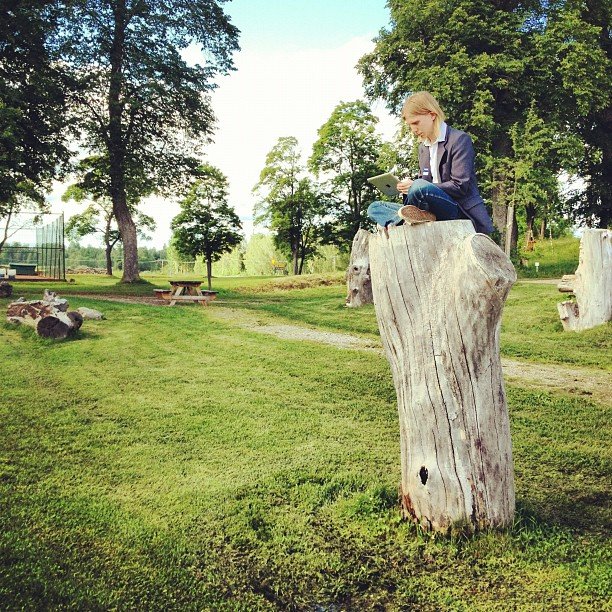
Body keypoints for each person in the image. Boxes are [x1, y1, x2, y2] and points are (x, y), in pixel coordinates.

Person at [367, 91, 494, 234]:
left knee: (418, 186)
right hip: (429, 209)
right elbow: (423, 184)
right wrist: (407, 187)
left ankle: (401, 219)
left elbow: (460, 186)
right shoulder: (423, 148)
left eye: (416, 123)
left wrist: (417, 185)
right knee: (374, 208)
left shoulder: (459, 140)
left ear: (432, 115)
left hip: (458, 210)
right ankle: (416, 217)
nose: (414, 130)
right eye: (410, 125)